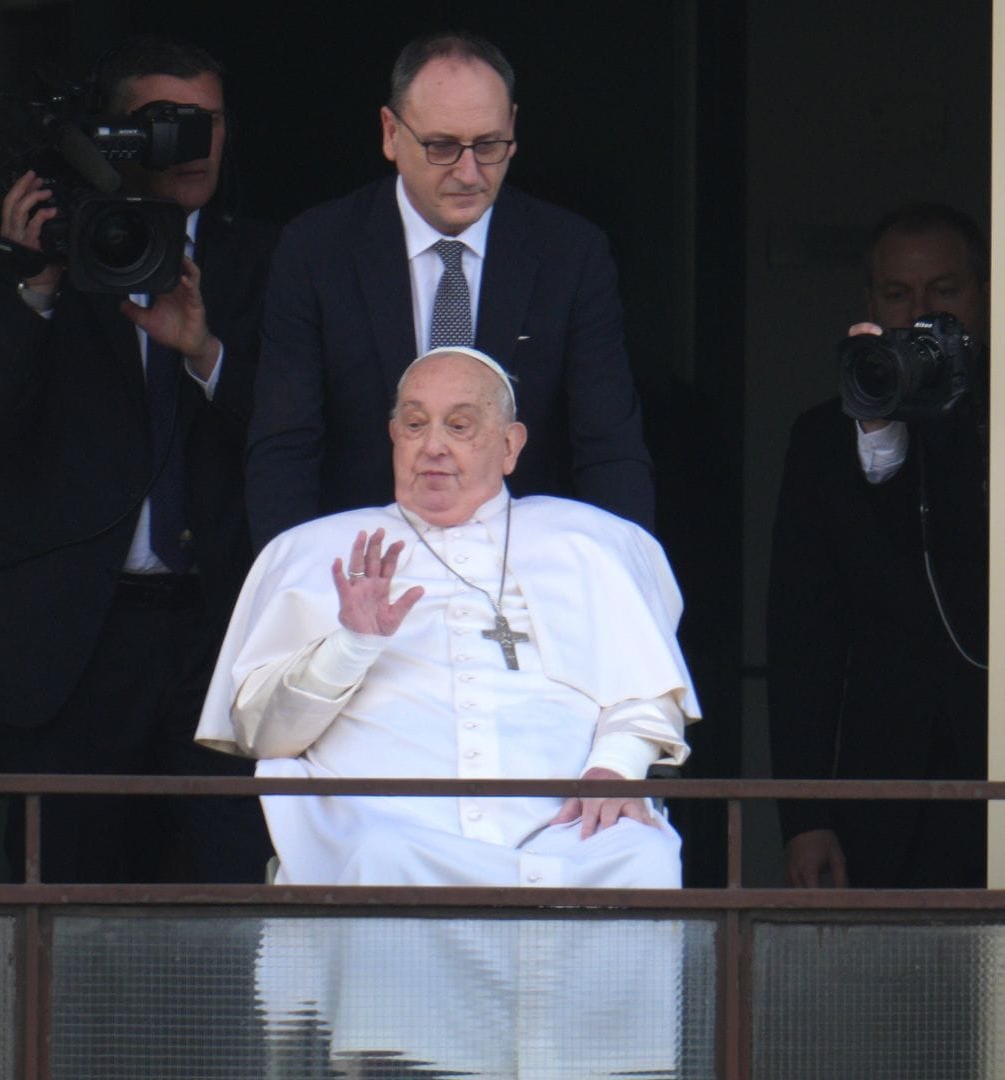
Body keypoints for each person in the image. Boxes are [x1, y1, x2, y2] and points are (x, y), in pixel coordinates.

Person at [202, 345, 692, 1076]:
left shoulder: (590, 544)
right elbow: (261, 732)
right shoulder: (314, 552)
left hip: (565, 838)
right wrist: (351, 643)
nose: (433, 447)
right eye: (415, 423)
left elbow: (645, 693)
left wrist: (614, 768)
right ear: (392, 436)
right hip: (402, 839)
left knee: (644, 855)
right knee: (381, 862)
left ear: (510, 444)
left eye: (460, 426)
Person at [0, 35, 274, 883]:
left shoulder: (270, 259)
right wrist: (31, 283)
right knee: (56, 903)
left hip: (220, 640)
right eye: (166, 124)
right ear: (114, 139)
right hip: (78, 645)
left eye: (210, 123)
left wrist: (205, 351)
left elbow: (296, 437)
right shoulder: (60, 255)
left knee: (234, 904)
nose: (195, 144)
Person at [244, 31, 656, 551]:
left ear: (513, 129)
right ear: (391, 134)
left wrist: (625, 584)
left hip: (524, 568)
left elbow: (608, 448)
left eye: (488, 145)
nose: (468, 173)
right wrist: (292, 592)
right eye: (441, 147)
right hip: (359, 566)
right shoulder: (316, 250)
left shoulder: (571, 254)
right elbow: (286, 448)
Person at [767, 204, 989, 889]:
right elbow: (803, 638)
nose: (922, 314)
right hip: (874, 789)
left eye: (945, 292)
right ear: (870, 303)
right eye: (899, 296)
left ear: (984, 293)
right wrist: (803, 815)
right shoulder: (820, 438)